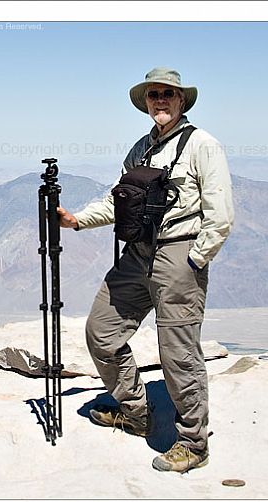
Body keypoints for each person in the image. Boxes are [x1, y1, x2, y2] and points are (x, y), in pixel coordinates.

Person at [57, 67, 234, 473]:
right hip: (137, 254)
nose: (160, 100)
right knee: (101, 332)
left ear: (182, 100)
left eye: (168, 94)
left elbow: (220, 213)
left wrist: (196, 259)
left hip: (178, 255)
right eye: (153, 94)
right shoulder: (140, 148)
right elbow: (120, 201)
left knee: (178, 353)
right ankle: (136, 412)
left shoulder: (203, 145)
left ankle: (193, 443)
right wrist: (77, 220)